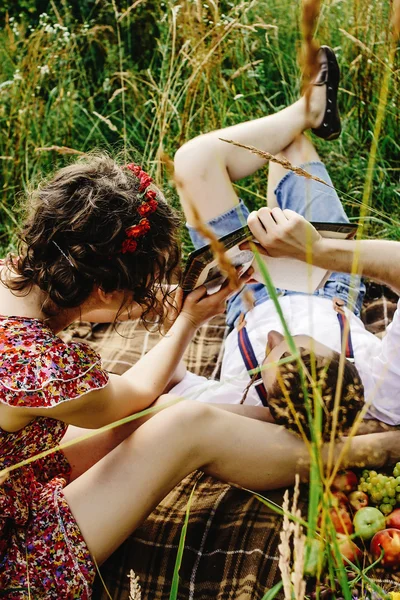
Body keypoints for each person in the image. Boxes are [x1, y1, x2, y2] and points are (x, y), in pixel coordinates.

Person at [0, 53, 398, 600]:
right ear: (105, 290)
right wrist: (187, 318)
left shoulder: (11, 276)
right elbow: (136, 395)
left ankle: (307, 111)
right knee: (177, 424)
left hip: (15, 479)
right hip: (15, 561)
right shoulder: (39, 367)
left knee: (155, 416)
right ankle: (373, 448)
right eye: (135, 297)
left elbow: (82, 316)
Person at [172, 45, 400, 433]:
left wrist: (182, 319)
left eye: (269, 355)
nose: (276, 335)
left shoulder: (237, 402)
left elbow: (172, 383)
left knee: (193, 161)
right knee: (291, 147)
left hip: (244, 292)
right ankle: (309, 114)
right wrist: (317, 251)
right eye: (300, 343)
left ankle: (308, 112)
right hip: (329, 282)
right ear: (349, 368)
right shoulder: (384, 396)